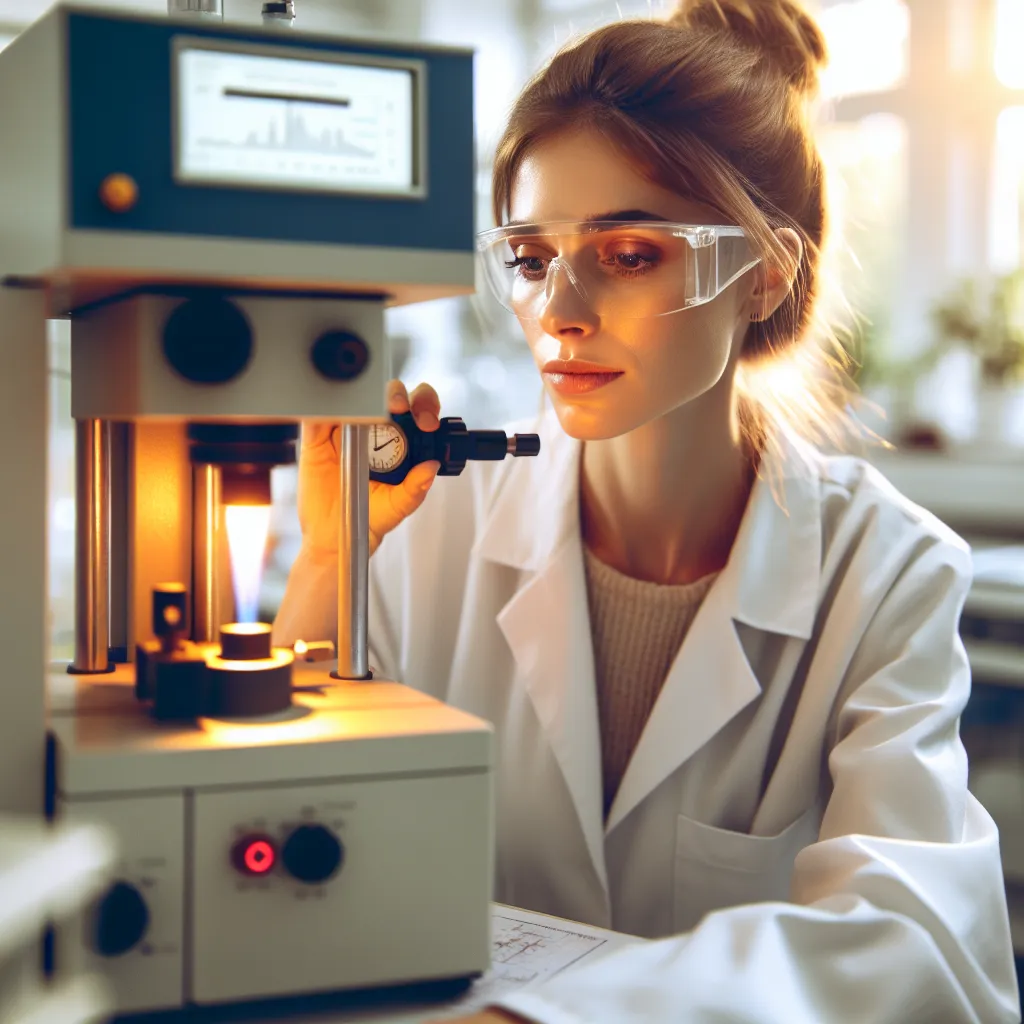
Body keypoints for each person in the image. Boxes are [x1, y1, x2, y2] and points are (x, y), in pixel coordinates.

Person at [273, 0, 1021, 1020]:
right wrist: (328, 560)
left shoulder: (882, 570)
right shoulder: (427, 526)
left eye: (628, 254)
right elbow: (280, 845)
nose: (560, 311)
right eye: (532, 259)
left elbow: (914, 944)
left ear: (763, 274)